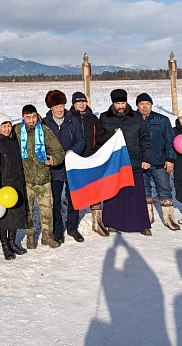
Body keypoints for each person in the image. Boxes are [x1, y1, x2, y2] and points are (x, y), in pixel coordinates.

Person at [97, 89, 152, 235]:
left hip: (134, 162)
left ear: (126, 102)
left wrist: (146, 158)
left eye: (122, 102)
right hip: (114, 163)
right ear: (113, 103)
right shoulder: (104, 117)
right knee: (114, 195)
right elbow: (99, 139)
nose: (120, 106)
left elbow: (145, 139)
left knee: (136, 195)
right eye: (117, 103)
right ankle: (113, 223)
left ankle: (141, 224)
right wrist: (111, 134)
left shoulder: (137, 117)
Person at [14, 104, 65, 249]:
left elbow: (59, 150)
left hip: (43, 178)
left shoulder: (44, 130)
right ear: (23, 117)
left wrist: (54, 159)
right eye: (28, 117)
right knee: (27, 210)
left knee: (47, 209)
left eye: (34, 117)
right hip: (26, 179)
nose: (31, 121)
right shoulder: (17, 130)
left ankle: (47, 236)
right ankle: (30, 235)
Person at [43, 90, 86, 244]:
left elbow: (81, 140)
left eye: (61, 105)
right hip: (54, 169)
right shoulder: (44, 123)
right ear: (51, 107)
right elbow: (41, 145)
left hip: (71, 167)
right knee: (54, 200)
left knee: (73, 198)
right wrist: (49, 157)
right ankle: (58, 230)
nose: (60, 109)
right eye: (56, 106)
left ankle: (72, 227)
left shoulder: (72, 120)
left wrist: (73, 151)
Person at [136, 93, 179, 231]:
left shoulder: (162, 120)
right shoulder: (132, 120)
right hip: (141, 163)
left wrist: (170, 159)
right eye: (141, 104)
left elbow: (169, 140)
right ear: (137, 106)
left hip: (160, 162)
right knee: (144, 191)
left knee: (164, 190)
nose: (144, 106)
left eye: (147, 104)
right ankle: (147, 216)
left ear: (151, 105)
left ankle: (169, 218)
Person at [69, 91, 110, 237]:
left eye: (83, 101)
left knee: (96, 190)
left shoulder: (93, 119)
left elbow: (99, 136)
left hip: (91, 157)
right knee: (74, 192)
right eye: (78, 101)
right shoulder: (69, 118)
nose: (81, 104)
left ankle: (96, 222)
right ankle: (72, 226)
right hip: (74, 160)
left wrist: (113, 135)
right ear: (73, 103)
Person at [0, 113, 28, 260]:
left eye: (9, 125)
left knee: (15, 215)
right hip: (3, 185)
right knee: (3, 217)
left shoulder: (13, 140)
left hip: (16, 183)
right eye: (4, 126)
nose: (7, 128)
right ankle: (5, 245)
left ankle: (12, 242)